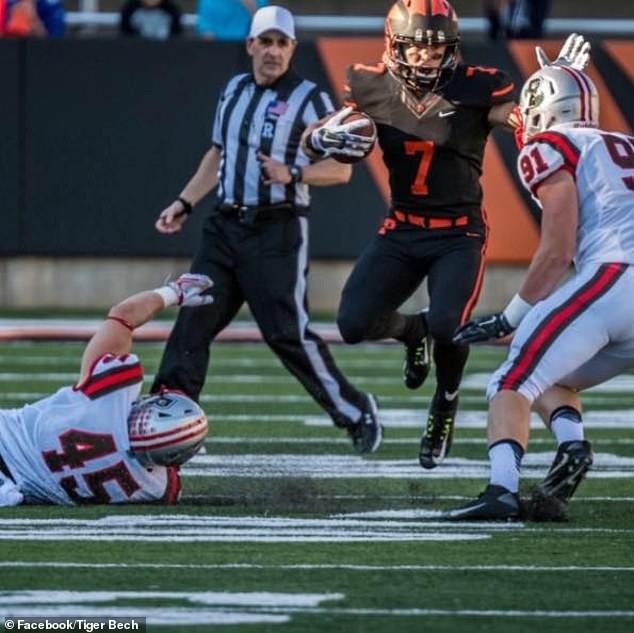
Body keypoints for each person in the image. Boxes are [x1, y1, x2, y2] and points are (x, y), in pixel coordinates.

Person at [151, 6, 383, 455]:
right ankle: (166, 425)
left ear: (293, 48)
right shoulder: (234, 90)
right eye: (267, 42)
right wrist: (183, 202)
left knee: (287, 334)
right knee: (191, 323)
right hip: (224, 227)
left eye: (283, 43)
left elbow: (341, 170)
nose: (274, 51)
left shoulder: (311, 99)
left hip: (276, 232)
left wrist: (292, 172)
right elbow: (217, 155)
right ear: (250, 45)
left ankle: (355, 410)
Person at [307, 0, 518, 470]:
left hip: (459, 232)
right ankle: (412, 331)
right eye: (415, 48)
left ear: (452, 48)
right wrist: (318, 138)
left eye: (436, 48)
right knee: (353, 323)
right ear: (393, 46)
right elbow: (324, 134)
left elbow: (510, 114)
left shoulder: (477, 87)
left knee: (450, 325)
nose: (425, 57)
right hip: (403, 226)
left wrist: (529, 119)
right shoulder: (369, 85)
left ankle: (445, 400)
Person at [447, 41, 634, 522]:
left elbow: (557, 250)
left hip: (614, 279)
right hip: (622, 284)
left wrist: (508, 317)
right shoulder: (621, 145)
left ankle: (501, 491)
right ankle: (572, 448)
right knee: (551, 375)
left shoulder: (552, 147)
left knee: (510, 380)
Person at [0, 273, 214, 507]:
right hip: (20, 487)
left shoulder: (112, 398)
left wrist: (174, 292)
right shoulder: (155, 488)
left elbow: (124, 315)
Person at [197, 0, 267, 41]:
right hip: (219, 52)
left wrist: (249, 3)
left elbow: (264, 30)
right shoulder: (209, 2)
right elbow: (206, 33)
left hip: (249, 52)